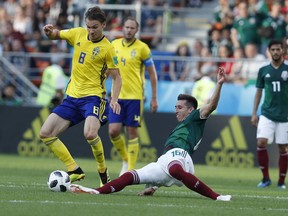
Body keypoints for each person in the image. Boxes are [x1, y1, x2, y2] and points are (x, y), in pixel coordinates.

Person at [69, 67, 232, 201]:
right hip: (165, 161)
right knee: (130, 176)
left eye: (180, 108)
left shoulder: (196, 117)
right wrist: (154, 185)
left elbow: (211, 105)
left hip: (182, 156)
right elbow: (166, 167)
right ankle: (96, 191)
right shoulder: (179, 128)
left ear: (190, 110)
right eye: (175, 107)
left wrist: (219, 84)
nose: (176, 111)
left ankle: (217, 197)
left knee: (175, 169)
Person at [39, 6, 122, 186]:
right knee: (45, 133)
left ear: (103, 25)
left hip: (93, 98)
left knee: (90, 133)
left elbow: (117, 76)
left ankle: (103, 173)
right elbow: (55, 34)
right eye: (88, 27)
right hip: (71, 98)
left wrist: (114, 99)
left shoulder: (108, 48)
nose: (91, 31)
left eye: (95, 27)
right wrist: (48, 32)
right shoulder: (77, 33)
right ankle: (74, 169)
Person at [109, 16, 158, 176]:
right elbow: (106, 68)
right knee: (113, 131)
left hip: (135, 96)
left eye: (132, 28)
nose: (129, 30)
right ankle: (125, 159)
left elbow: (152, 74)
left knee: (132, 132)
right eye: (127, 27)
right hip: (117, 96)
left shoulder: (142, 48)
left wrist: (154, 98)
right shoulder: (114, 45)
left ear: (136, 30)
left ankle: (130, 169)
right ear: (122, 28)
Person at [251, 39, 288, 189]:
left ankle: (281, 182)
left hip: (285, 115)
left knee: (283, 148)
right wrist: (254, 113)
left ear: (283, 51)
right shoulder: (263, 70)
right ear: (269, 51)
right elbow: (258, 92)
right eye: (273, 49)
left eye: (278, 49)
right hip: (266, 113)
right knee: (261, 142)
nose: (275, 52)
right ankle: (265, 178)